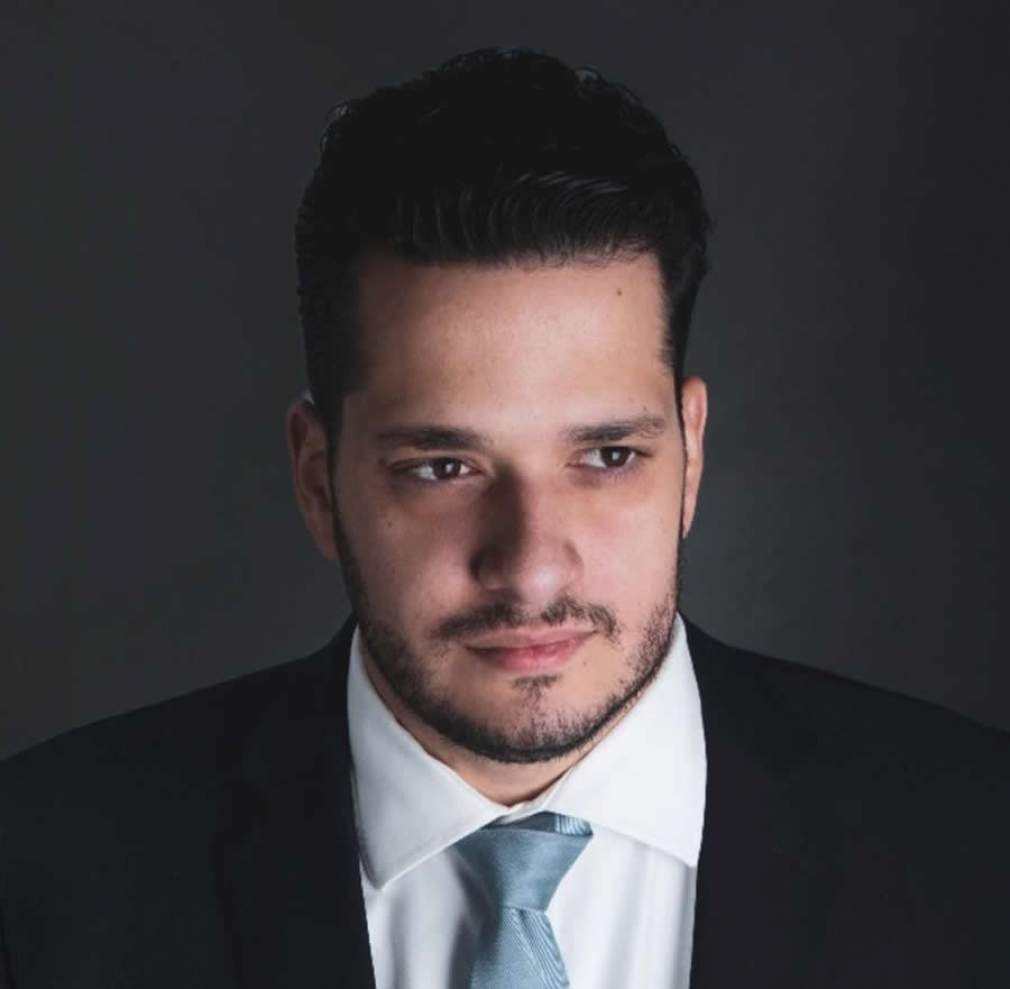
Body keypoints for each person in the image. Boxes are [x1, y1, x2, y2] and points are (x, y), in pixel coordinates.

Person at [1, 46, 1008, 989]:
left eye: (606, 457)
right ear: (318, 480)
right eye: (442, 467)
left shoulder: (974, 848)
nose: (531, 568)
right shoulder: (45, 878)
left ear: (690, 453)